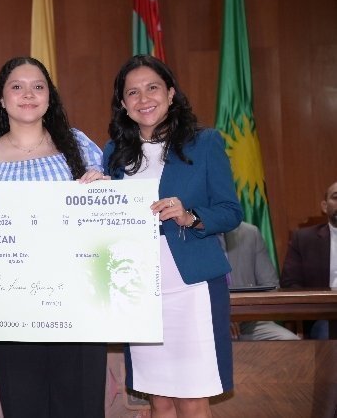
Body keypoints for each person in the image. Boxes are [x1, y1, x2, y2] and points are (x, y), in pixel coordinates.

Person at [0, 56, 107, 418]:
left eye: (38, 86)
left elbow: (109, 227)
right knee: (23, 406)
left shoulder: (80, 148)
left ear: (49, 97)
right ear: (1, 99)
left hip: (79, 308)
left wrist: (105, 193)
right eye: (17, 86)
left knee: (82, 408)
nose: (28, 94)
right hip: (11, 312)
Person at [102, 54, 242, 418]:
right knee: (159, 397)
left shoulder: (205, 142)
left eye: (152, 88)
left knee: (193, 396)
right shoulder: (114, 153)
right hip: (137, 286)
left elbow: (231, 211)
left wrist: (190, 215)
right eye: (132, 92)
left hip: (191, 285)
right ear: (123, 104)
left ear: (171, 93)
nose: (143, 98)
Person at [220, 222, 299, 340]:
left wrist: (239, 316)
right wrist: (221, 318)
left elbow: (271, 287)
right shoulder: (188, 234)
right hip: (205, 322)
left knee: (290, 342)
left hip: (248, 321)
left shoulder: (250, 233)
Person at [280, 180, 337, 339]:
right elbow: (290, 283)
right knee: (326, 331)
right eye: (336, 197)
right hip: (326, 316)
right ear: (325, 206)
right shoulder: (304, 239)